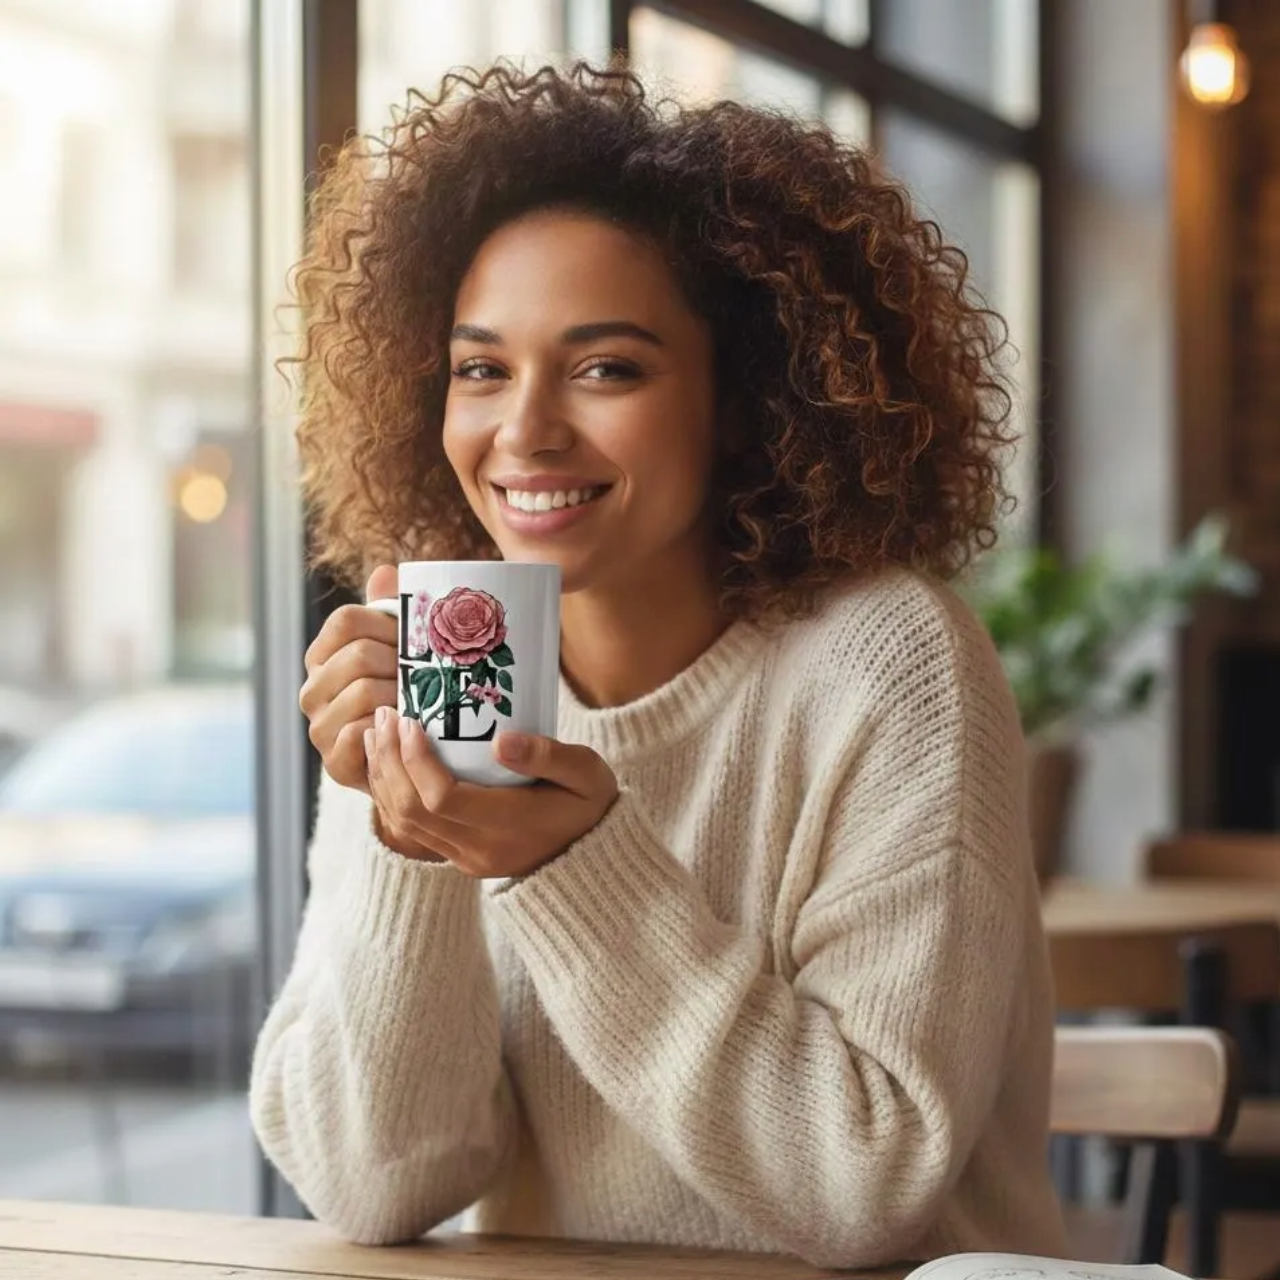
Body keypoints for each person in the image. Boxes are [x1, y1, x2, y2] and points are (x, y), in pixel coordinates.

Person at [250, 61, 1066, 1268]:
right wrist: (408, 837)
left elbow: (867, 1185)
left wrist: (570, 863)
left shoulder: (887, 665)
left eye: (604, 368)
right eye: (480, 367)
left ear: (745, 400)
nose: (522, 429)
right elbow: (372, 1182)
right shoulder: (434, 658)